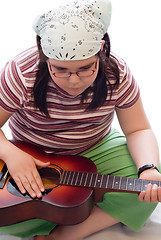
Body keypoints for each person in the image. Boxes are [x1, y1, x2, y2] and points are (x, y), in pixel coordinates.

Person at [0, 0, 160, 239]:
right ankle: (66, 208)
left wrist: (148, 169)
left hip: (95, 147)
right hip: (32, 153)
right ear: (44, 56)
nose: (73, 81)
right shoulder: (20, 72)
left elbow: (138, 129)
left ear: (102, 50)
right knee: (7, 215)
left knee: (148, 187)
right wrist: (12, 155)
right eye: (60, 70)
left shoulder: (118, 74)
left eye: (85, 68)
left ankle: (64, 233)